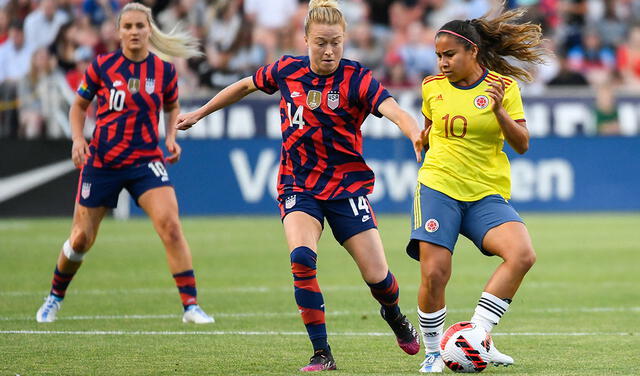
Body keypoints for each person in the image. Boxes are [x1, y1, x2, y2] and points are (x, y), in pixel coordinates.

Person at [175, 0, 423, 371]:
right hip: (298, 184)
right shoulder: (286, 70)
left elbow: (394, 110)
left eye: (336, 42)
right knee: (302, 259)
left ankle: (394, 314)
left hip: (345, 188)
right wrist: (199, 112)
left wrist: (415, 132)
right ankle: (322, 353)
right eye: (321, 42)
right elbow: (244, 85)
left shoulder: (357, 78)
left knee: (379, 278)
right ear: (304, 38)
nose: (329, 51)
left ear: (346, 40)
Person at [35, 2, 214, 325]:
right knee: (80, 239)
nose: (134, 31)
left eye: (139, 26)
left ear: (149, 30)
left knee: (171, 227)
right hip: (102, 161)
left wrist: (170, 137)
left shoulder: (164, 71)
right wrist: (78, 139)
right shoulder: (102, 67)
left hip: (145, 160)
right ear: (118, 32)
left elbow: (171, 107)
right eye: (127, 26)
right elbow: (78, 107)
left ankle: (191, 305)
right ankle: (54, 297)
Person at [407, 7, 545, 373]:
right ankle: (435, 352)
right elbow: (430, 127)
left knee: (522, 254)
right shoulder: (431, 87)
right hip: (438, 187)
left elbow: (522, 144)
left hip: (485, 193)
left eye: (449, 55)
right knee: (434, 273)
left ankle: (476, 336)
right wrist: (422, 139)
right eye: (438, 56)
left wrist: (499, 111)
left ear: (472, 53)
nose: (442, 63)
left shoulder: (504, 88)